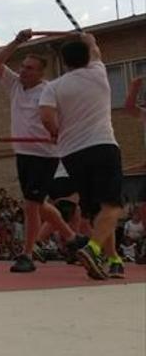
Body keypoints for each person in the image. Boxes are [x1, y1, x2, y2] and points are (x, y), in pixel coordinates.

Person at [0, 29, 83, 273]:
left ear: (41, 72)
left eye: (29, 68)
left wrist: (59, 133)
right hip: (23, 151)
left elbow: (65, 119)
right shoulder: (15, 86)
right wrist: (18, 41)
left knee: (30, 205)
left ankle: (27, 254)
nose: (22, 71)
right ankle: (72, 238)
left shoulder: (50, 90)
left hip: (44, 154)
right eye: (22, 66)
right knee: (38, 203)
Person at [39, 33, 125, 279]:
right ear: (88, 56)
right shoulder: (99, 72)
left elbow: (46, 116)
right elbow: (95, 50)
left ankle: (114, 259)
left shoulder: (53, 86)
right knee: (113, 206)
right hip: (102, 145)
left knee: (97, 212)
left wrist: (56, 132)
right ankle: (94, 248)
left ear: (63, 61)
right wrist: (89, 39)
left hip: (71, 153)